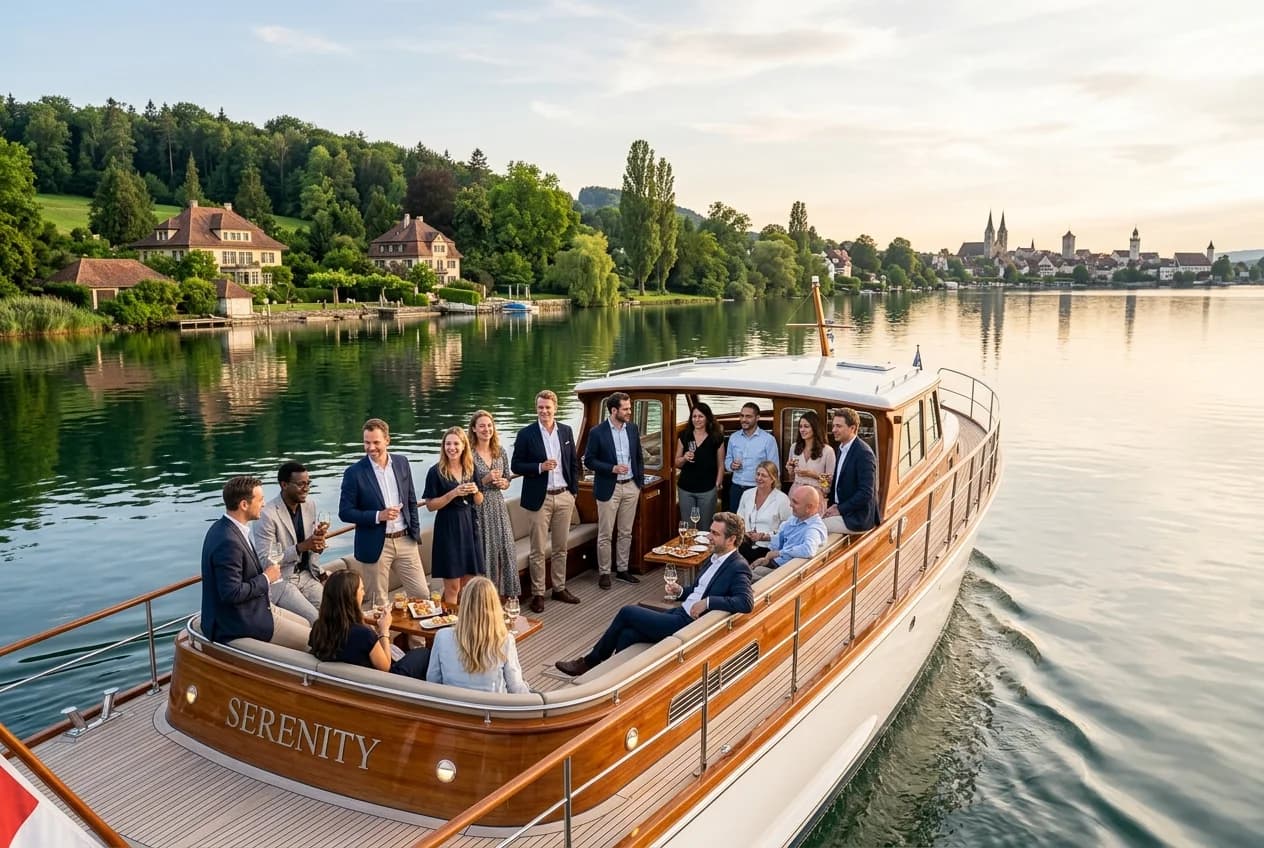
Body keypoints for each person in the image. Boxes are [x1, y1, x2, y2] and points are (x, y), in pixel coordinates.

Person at [554, 512, 753, 677]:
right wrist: (681, 591)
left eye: (715, 534)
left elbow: (745, 602)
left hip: (687, 624)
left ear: (732, 540)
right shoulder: (714, 556)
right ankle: (614, 678)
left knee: (628, 612)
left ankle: (589, 663)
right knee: (626, 634)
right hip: (678, 613)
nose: (709, 537)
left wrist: (708, 602)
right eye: (711, 531)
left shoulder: (738, 566)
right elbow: (699, 589)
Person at [200, 475, 311, 650]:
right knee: (312, 640)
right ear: (244, 504)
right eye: (260, 500)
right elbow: (231, 593)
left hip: (257, 607)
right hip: (239, 621)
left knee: (307, 622)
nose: (264, 504)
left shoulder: (225, 528)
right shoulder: (228, 542)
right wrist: (267, 578)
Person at [338, 418, 427, 608]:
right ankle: (382, 638)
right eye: (366, 442)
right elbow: (345, 512)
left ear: (387, 440)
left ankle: (417, 639)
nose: (371, 448)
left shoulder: (402, 462)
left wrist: (415, 533)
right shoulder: (354, 473)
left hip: (405, 540)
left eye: (375, 442)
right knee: (378, 604)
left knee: (421, 594)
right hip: (375, 544)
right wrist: (379, 516)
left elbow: (411, 500)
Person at [510, 389, 581, 613]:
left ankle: (559, 588)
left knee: (561, 546)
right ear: (536, 408)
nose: (544, 411)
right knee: (538, 549)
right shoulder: (526, 434)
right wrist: (539, 467)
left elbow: (573, 463)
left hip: (564, 495)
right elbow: (516, 465)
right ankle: (538, 593)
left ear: (555, 409)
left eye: (547, 407)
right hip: (539, 499)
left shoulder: (566, 431)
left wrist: (574, 491)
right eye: (540, 407)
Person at [308, 570, 429, 679]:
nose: (364, 593)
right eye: (361, 589)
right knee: (423, 653)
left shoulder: (318, 627)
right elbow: (386, 667)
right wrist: (384, 631)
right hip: (381, 683)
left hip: (345, 680)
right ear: (352, 596)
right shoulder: (362, 634)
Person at [250, 461, 326, 624]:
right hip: (283, 581)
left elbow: (310, 548)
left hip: (307, 575)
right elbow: (265, 561)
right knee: (316, 620)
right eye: (300, 484)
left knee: (335, 611)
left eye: (308, 483)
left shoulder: (309, 505)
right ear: (284, 485)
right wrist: (301, 547)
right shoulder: (266, 515)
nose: (306, 488)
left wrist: (317, 546)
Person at [426, 576, 530, 694]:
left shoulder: (442, 636)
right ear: (494, 606)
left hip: (453, 708)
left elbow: (432, 681)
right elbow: (516, 688)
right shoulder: (505, 640)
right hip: (492, 710)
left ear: (464, 603)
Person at [584, 391, 643, 589]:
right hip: (609, 488)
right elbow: (589, 460)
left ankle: (623, 570)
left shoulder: (633, 429)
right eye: (625, 409)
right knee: (605, 533)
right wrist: (612, 468)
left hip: (631, 486)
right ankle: (604, 573)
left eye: (630, 408)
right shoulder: (597, 432)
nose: (629, 412)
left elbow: (638, 457)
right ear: (614, 410)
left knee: (626, 532)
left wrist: (638, 482)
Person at [424, 426, 485, 606]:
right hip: (448, 527)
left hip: (469, 525)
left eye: (456, 443)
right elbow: (430, 505)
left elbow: (480, 500)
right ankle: (451, 626)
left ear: (464, 446)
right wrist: (453, 493)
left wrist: (475, 492)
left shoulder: (471, 468)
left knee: (469, 581)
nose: (452, 448)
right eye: (448, 444)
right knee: (452, 586)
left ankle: (466, 621)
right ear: (443, 447)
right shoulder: (435, 472)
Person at [469, 410, 522, 602]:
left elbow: (507, 478)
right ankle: (487, 598)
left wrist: (503, 483)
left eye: (489, 425)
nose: (486, 429)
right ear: (474, 429)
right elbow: (467, 483)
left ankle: (510, 596)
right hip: (480, 507)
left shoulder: (500, 451)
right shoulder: (469, 454)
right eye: (482, 426)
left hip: (498, 505)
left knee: (506, 548)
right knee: (486, 551)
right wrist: (486, 479)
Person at [823, 407, 881, 535]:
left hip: (857, 518)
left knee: (817, 526)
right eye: (833, 426)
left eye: (838, 426)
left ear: (853, 428)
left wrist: (840, 509)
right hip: (843, 510)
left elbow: (866, 493)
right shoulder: (841, 447)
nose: (833, 430)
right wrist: (833, 505)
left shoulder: (864, 453)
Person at [749, 486, 829, 578]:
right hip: (776, 563)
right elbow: (780, 536)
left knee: (745, 576)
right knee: (745, 570)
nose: (790, 505)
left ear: (809, 507)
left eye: (795, 502)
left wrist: (780, 553)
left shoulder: (813, 528)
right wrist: (766, 555)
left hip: (787, 572)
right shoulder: (795, 518)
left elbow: (809, 550)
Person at [674, 401, 726, 529]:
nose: (697, 420)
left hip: (708, 489)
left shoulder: (716, 438)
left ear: (707, 418)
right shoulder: (684, 436)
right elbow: (676, 462)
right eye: (694, 416)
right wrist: (685, 458)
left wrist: (717, 484)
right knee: (688, 527)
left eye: (700, 416)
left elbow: (721, 464)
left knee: (705, 527)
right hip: (685, 488)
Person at [724, 402, 779, 511]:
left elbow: (774, 468)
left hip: (758, 489)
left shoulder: (768, 440)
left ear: (757, 417)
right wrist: (731, 465)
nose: (744, 419)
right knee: (735, 524)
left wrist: (773, 493)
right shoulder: (734, 437)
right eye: (742, 416)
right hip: (736, 488)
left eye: (748, 416)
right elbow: (727, 460)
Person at [736, 460, 792, 562]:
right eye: (758, 474)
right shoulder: (747, 494)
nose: (759, 478)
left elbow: (788, 529)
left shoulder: (782, 499)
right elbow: (739, 519)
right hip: (744, 544)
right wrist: (745, 532)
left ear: (772, 479)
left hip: (767, 547)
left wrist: (765, 536)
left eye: (764, 476)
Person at [786, 410, 835, 515]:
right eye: (800, 426)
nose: (802, 430)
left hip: (814, 496)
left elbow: (829, 483)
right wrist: (790, 470)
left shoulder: (827, 451)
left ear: (815, 428)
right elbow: (791, 478)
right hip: (795, 493)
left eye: (806, 426)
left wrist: (813, 475)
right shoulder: (794, 447)